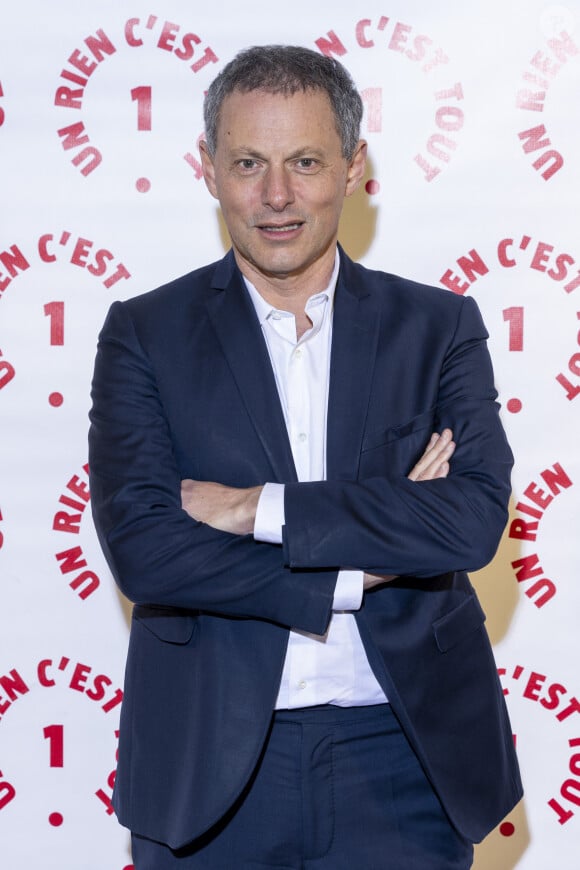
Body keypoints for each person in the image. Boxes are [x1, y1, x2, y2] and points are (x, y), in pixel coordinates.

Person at [88, 45, 522, 869]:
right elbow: (148, 553)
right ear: (208, 168)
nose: (277, 196)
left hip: (405, 763)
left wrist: (255, 508)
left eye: (306, 162)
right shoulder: (145, 333)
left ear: (353, 167)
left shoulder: (438, 328)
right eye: (249, 162)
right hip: (208, 770)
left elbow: (467, 524)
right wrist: (368, 560)